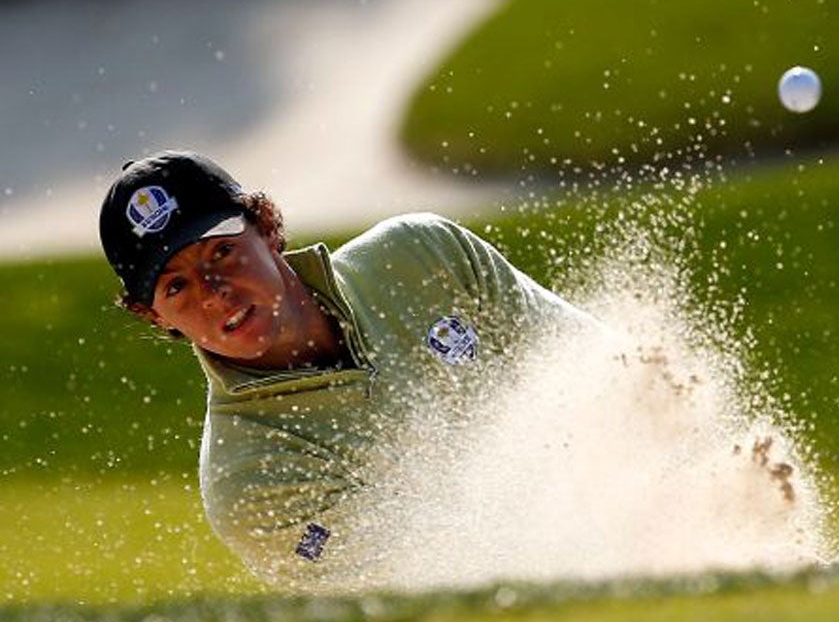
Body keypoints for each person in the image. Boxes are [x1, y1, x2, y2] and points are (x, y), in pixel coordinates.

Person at [99, 151, 591, 590]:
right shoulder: (248, 481)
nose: (212, 291)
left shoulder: (420, 253)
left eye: (222, 252)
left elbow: (600, 366)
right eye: (176, 287)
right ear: (156, 316)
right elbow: (437, 582)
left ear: (266, 228)